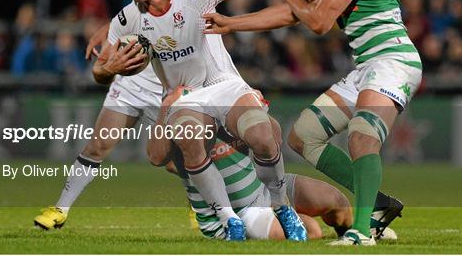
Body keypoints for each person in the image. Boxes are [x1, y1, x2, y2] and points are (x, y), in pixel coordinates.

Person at [203, 0, 422, 246]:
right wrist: (231, 23)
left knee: (361, 137)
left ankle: (362, 230)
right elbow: (294, 12)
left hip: (393, 61)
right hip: (369, 66)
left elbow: (318, 22)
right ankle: (377, 206)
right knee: (303, 136)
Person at [93, 0, 309, 240]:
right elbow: (99, 70)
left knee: (263, 136)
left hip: (222, 86)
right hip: (186, 99)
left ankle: (281, 205)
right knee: (189, 140)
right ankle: (228, 218)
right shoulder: (127, 18)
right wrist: (108, 69)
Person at [33, 0, 195, 230]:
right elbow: (127, 18)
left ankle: (199, 203)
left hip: (169, 89)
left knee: (175, 159)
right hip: (131, 79)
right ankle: (60, 210)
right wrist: (103, 36)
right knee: (97, 146)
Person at [151, 86, 353, 240]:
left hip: (262, 187)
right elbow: (158, 158)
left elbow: (274, 140)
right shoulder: (181, 105)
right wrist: (165, 108)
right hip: (240, 211)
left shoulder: (230, 91)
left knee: (337, 202)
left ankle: (352, 238)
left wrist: (260, 109)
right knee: (311, 229)